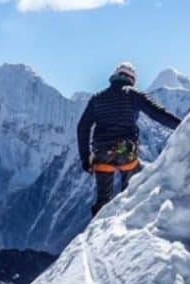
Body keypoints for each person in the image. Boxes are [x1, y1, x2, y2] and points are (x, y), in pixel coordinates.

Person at [76, 62, 182, 217]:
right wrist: (184, 124)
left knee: (103, 200)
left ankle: (97, 232)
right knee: (131, 194)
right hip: (126, 152)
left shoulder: (97, 98)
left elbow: (82, 127)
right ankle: (125, 227)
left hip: (102, 153)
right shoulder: (133, 94)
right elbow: (158, 114)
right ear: (132, 79)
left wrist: (85, 158)